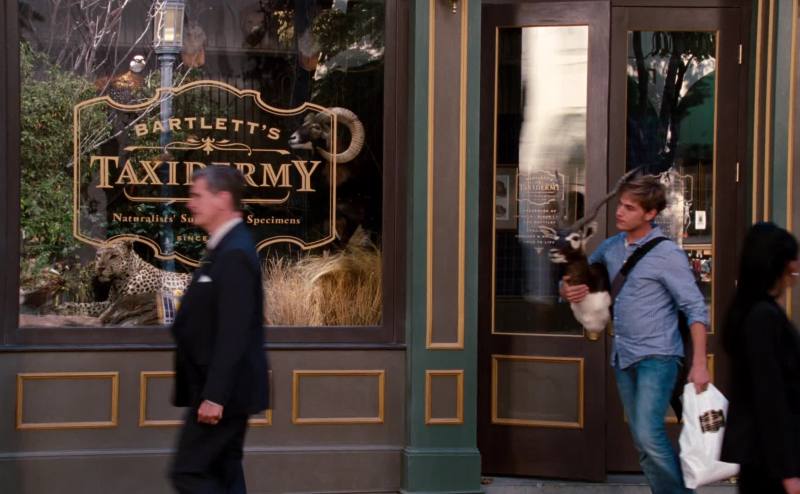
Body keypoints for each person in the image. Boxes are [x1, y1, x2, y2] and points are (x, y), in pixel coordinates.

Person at [561, 175, 710, 494]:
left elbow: (696, 308)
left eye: (630, 208)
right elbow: (579, 279)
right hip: (624, 355)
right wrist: (567, 289)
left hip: (659, 356)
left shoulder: (667, 254)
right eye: (620, 205)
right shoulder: (610, 248)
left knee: (647, 434)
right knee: (642, 443)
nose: (619, 212)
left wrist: (699, 364)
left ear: (650, 213)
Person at [169, 166, 269, 494]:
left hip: (223, 395)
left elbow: (234, 332)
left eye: (197, 195)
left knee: (189, 472)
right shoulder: (223, 247)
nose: (190, 203)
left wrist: (215, 396)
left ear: (222, 199)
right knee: (225, 473)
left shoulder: (235, 252)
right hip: (218, 390)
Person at [720, 222, 800, 494]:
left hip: (762, 455)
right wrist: (788, 471)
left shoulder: (751, 311)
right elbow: (770, 397)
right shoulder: (762, 317)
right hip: (769, 459)